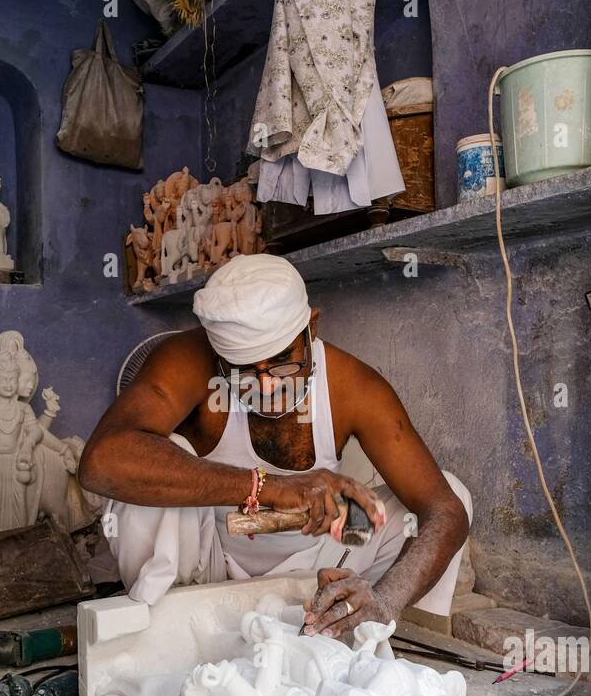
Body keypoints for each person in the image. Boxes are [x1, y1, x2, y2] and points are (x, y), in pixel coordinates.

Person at [79, 254, 471, 637]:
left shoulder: (353, 387)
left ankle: (368, 625)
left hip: (316, 571)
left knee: (451, 494)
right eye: (245, 369)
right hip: (208, 571)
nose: (268, 386)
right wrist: (265, 487)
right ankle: (170, 634)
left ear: (311, 328)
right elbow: (101, 462)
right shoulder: (187, 359)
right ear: (217, 354)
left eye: (284, 361)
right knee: (139, 476)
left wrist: (384, 601)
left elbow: (444, 510)